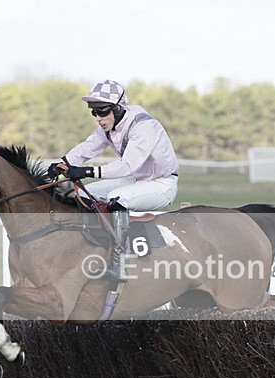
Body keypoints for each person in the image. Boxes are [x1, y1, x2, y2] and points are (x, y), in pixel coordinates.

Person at [48, 80, 179, 281]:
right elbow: (89, 146)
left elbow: (127, 166)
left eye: (102, 111)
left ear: (118, 108)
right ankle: (94, 247)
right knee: (83, 194)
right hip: (136, 180)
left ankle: (120, 264)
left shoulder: (144, 126)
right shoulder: (110, 126)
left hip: (162, 184)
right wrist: (63, 163)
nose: (98, 118)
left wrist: (86, 171)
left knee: (117, 198)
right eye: (94, 112)